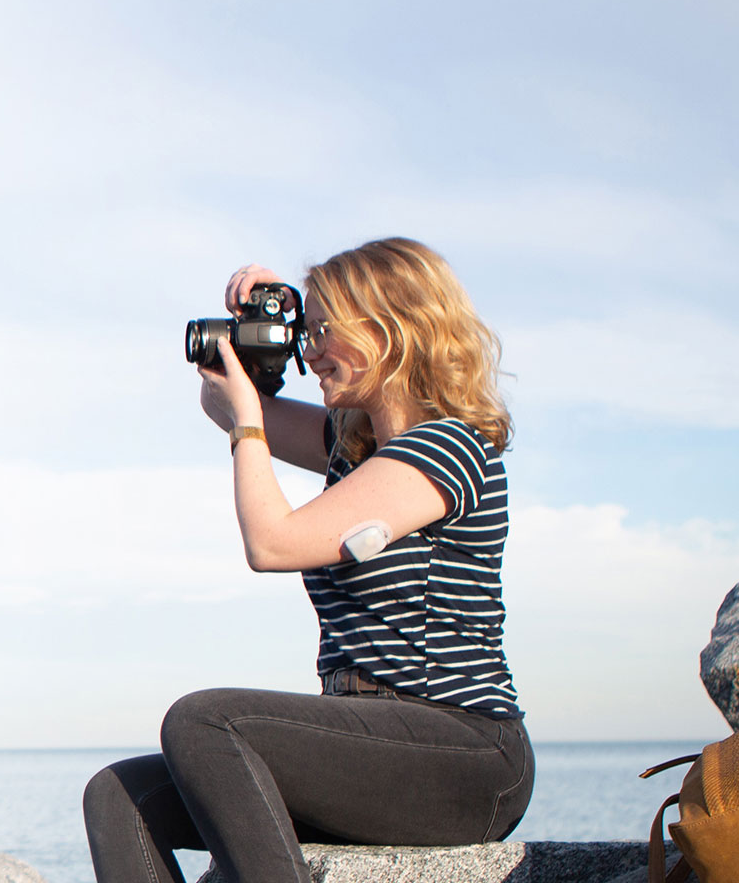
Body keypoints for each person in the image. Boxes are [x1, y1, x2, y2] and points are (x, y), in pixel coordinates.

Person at [83, 237, 533, 883]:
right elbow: (226, 404)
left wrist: (248, 421)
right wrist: (266, 330)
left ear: (390, 330)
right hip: (370, 743)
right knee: (121, 798)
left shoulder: (448, 449)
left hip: (463, 753)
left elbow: (272, 542)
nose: (310, 350)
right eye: (308, 332)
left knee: (204, 722)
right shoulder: (353, 446)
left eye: (325, 331)